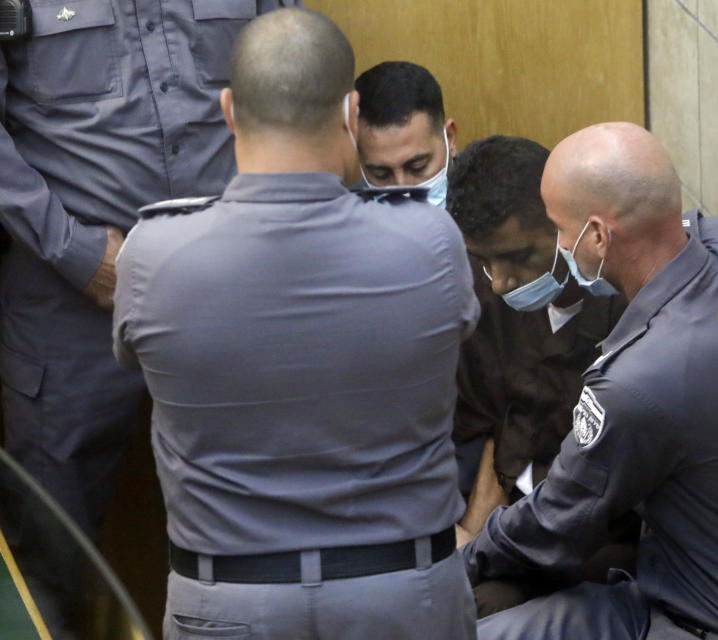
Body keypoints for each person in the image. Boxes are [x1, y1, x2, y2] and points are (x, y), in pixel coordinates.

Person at [112, 9, 479, 639]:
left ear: (228, 110)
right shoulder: (430, 242)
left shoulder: (151, 255)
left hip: (225, 604)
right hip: (402, 599)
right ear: (349, 112)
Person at [0, 0, 294, 631]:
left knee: (270, 530)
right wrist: (79, 254)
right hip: (69, 302)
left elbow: (297, 79)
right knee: (50, 551)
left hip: (232, 293)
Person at [462, 122, 718, 640]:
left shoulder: (635, 380)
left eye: (559, 228)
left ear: (599, 235)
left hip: (699, 615)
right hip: (708, 576)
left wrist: (462, 559)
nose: (557, 245)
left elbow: (556, 521)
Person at [446, 135, 630, 615]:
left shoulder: (628, 299)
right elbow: (477, 419)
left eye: (521, 256)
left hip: (606, 539)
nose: (502, 281)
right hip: (508, 527)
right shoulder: (484, 299)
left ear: (566, 226)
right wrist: (470, 530)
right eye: (486, 261)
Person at [355, 61, 458, 207]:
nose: (402, 190)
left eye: (418, 167)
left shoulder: (495, 210)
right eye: (381, 174)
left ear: (450, 138)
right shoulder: (345, 223)